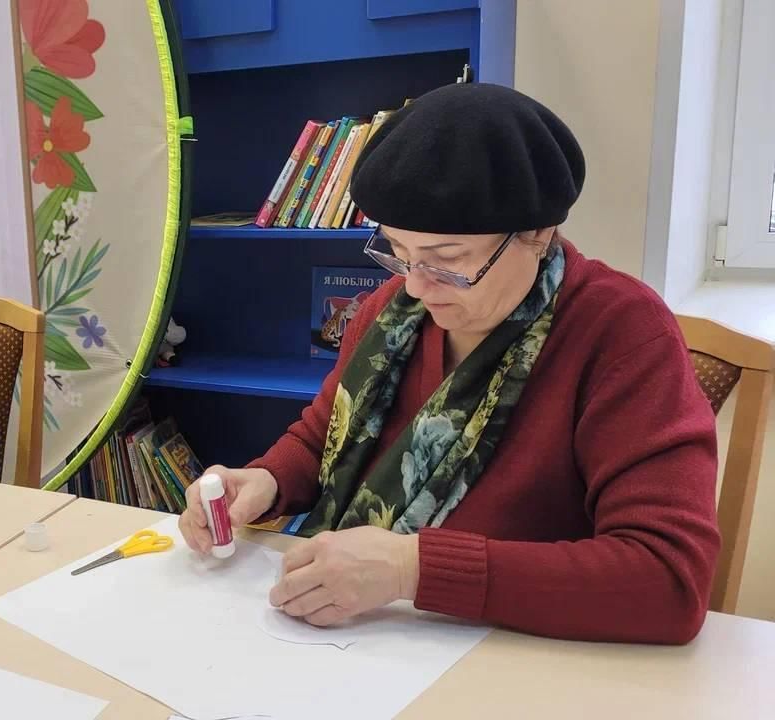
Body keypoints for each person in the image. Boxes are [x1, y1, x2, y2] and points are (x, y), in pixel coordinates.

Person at [179, 83, 720, 645]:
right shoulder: (390, 314)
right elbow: (324, 438)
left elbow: (669, 581)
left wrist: (411, 569)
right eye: (396, 251)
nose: (415, 286)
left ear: (537, 233)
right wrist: (265, 479)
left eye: (448, 261)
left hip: (518, 656)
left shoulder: (622, 333)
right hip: (365, 637)